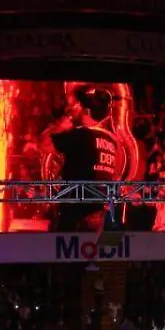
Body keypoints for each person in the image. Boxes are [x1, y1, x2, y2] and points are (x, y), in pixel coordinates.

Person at [43, 86, 120, 231]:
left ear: (86, 111)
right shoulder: (110, 140)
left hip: (76, 212)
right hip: (99, 213)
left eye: (78, 105)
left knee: (64, 244)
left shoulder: (81, 135)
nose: (74, 108)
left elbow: (44, 145)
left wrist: (62, 125)